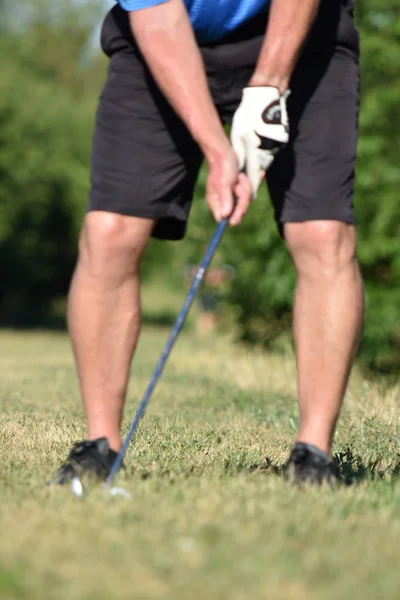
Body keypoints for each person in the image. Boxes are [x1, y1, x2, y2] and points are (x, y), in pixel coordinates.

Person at [49, 0, 363, 487]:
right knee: (110, 231)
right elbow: (156, 14)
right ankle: (99, 446)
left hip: (304, 35)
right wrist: (217, 151)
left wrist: (269, 85)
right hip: (163, 42)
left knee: (322, 232)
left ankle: (313, 456)